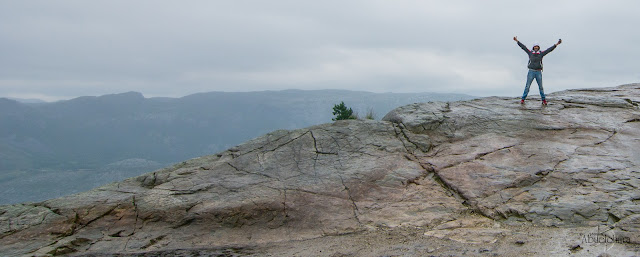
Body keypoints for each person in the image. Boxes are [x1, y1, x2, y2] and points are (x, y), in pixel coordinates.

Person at [513, 36, 562, 105]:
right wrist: (517, 41)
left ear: (538, 47)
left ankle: (544, 100)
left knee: (541, 87)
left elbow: (549, 50)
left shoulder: (541, 53)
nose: (536, 47)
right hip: (531, 71)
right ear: (533, 47)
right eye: (535, 46)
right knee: (527, 86)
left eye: (537, 46)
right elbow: (523, 47)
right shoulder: (530, 53)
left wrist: (556, 44)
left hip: (538, 72)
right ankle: (523, 99)